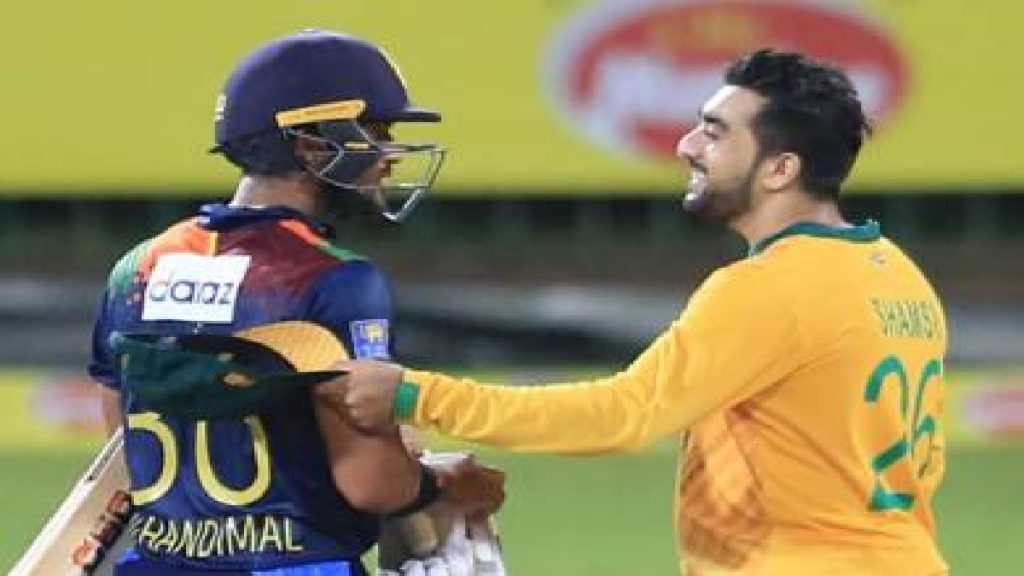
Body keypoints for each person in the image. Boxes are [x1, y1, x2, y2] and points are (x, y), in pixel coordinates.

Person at [323, 49, 949, 575]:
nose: (686, 145)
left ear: (782, 168)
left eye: (714, 132)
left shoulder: (770, 287)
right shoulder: (898, 275)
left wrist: (416, 396)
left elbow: (620, 415)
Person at [88, 29, 503, 576]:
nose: (388, 156)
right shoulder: (334, 278)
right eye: (375, 133)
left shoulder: (138, 267)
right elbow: (369, 482)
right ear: (310, 145)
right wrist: (441, 483)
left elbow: (122, 445)